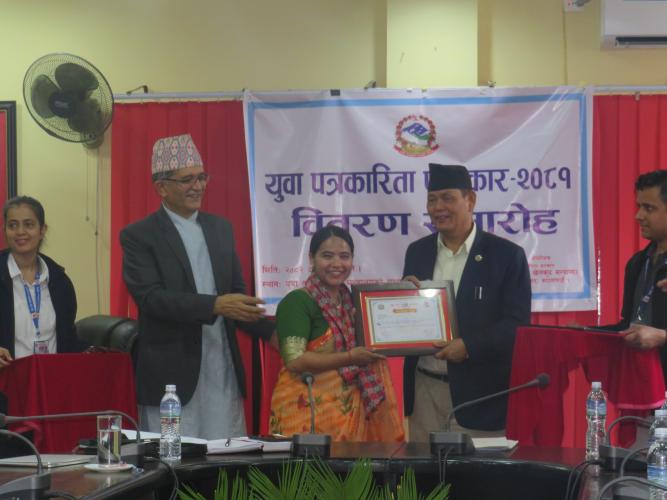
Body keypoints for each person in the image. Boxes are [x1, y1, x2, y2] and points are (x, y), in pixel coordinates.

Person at [120, 133, 275, 439]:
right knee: (173, 458)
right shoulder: (140, 235)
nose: (198, 186)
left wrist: (274, 333)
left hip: (221, 367)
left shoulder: (221, 229)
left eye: (202, 177)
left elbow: (237, 298)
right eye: (187, 179)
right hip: (171, 378)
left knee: (225, 456)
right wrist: (214, 305)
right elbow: (151, 299)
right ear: (161, 187)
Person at [402, 163, 531, 441]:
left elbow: (517, 325)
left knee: (476, 471)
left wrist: (470, 346)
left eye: (447, 198)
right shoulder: (417, 252)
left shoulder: (506, 256)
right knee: (423, 469)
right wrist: (403, 300)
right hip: (425, 392)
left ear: (470, 200)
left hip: (480, 399)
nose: (438, 207)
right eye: (432, 200)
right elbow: (409, 318)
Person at [270, 225, 404, 441]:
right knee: (306, 464)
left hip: (350, 411)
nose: (336, 264)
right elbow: (295, 361)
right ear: (311, 258)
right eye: (327, 256)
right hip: (305, 412)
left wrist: (411, 293)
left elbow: (390, 323)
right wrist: (350, 358)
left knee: (356, 464)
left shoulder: (353, 301)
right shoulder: (297, 302)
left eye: (344, 256)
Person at [0, 196, 85, 366]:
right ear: (4, 230)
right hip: (7, 378)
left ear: (42, 230)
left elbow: (68, 338)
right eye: (13, 225)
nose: (20, 232)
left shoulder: (60, 281)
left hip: (51, 377)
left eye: (29, 224)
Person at [602, 170, 667, 383]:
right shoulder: (637, 264)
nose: (638, 216)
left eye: (649, 208)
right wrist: (583, 333)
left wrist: (662, 337)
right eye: (639, 206)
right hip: (643, 384)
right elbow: (628, 326)